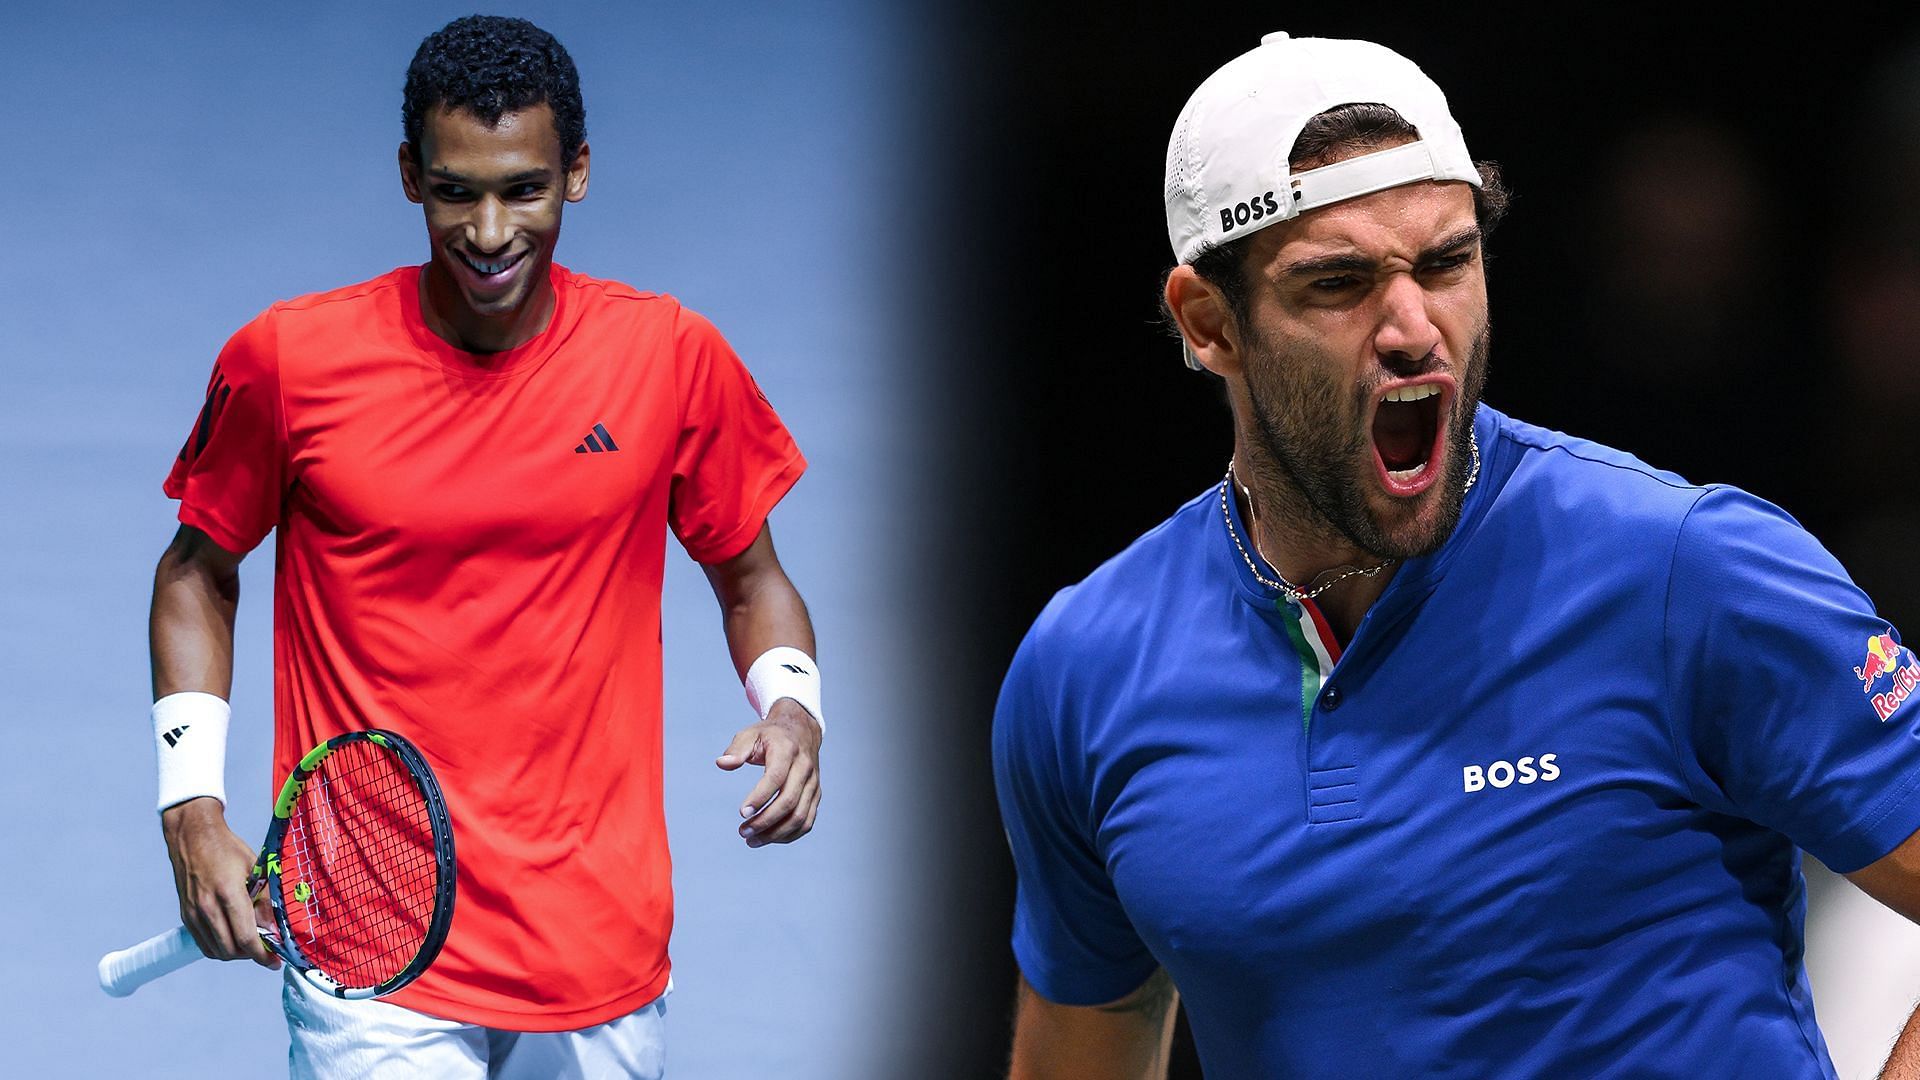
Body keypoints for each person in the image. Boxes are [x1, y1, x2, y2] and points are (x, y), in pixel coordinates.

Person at [991, 31, 1920, 1078]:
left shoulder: (1691, 571)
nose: (1413, 328)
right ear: (1210, 325)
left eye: (1447, 262)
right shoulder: (1085, 669)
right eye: (1339, 284)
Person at [148, 15, 823, 1078]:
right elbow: (196, 574)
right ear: (411, 176)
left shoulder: (670, 357)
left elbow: (752, 577)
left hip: (598, 945)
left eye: (526, 188)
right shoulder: (288, 360)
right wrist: (191, 805)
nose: (492, 230)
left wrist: (793, 706)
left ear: (580, 174)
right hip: (370, 949)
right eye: (457, 190)